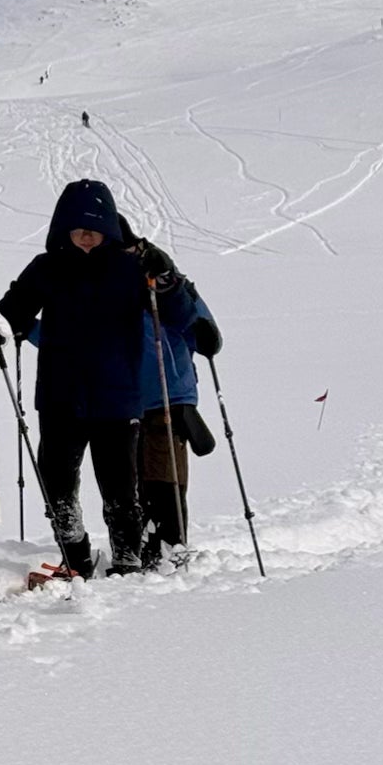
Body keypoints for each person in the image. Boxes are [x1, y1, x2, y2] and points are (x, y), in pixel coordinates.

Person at [0, 180, 179, 577]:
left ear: (108, 230)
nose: (87, 238)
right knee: (57, 486)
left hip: (117, 400)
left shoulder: (131, 269)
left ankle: (128, 560)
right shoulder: (46, 268)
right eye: (78, 230)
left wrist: (165, 271)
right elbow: (13, 307)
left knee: (121, 490)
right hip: (60, 398)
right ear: (63, 229)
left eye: (94, 230)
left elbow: (173, 306)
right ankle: (76, 558)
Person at [131, 228, 222, 567]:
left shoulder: (170, 284)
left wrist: (204, 334)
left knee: (164, 475)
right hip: (124, 398)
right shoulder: (108, 287)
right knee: (134, 481)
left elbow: (205, 334)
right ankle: (146, 549)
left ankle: (169, 546)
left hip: (171, 397)